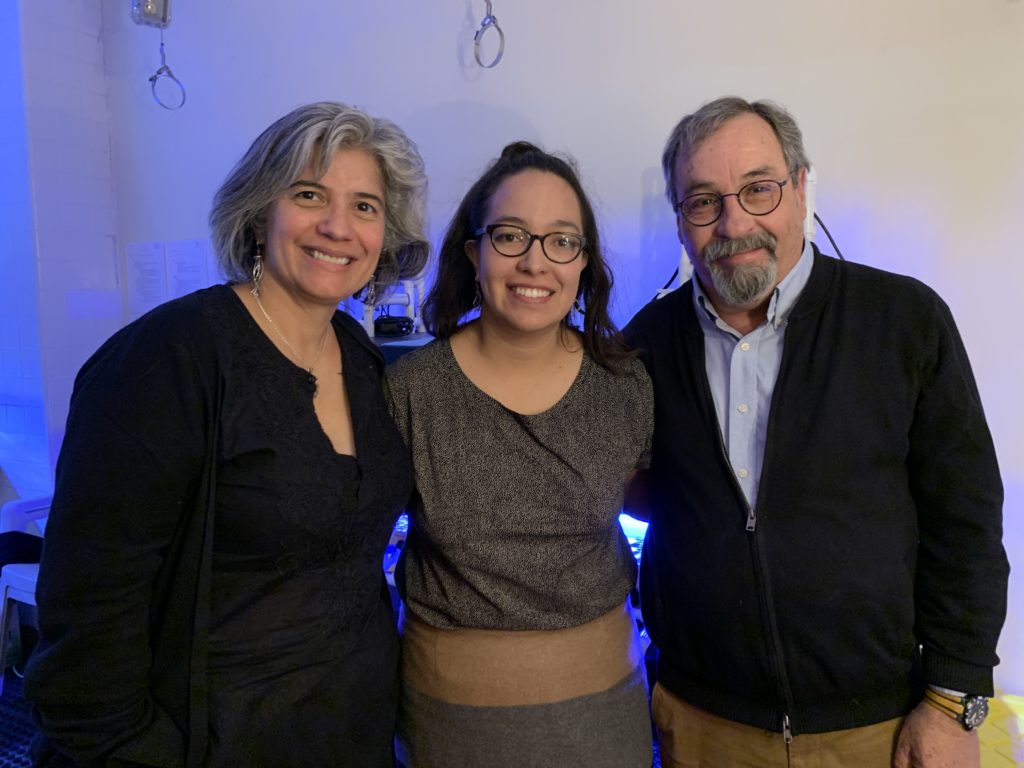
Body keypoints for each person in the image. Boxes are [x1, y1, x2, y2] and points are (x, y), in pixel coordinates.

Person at [25, 101, 429, 767]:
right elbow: (88, 615)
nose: (338, 225)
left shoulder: (359, 357)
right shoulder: (167, 359)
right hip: (209, 742)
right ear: (260, 211)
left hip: (350, 734)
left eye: (366, 205)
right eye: (309, 194)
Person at [624, 96, 1009, 767]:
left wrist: (954, 702)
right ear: (681, 219)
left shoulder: (903, 321)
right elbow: (634, 496)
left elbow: (966, 520)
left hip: (879, 730)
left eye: (758, 189)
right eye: (704, 200)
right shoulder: (644, 348)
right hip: (702, 725)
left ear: (802, 189)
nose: (734, 221)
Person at [385, 142, 654, 767]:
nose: (536, 262)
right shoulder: (410, 390)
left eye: (561, 241)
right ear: (473, 251)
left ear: (583, 263)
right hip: (447, 721)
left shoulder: (623, 385)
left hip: (604, 715)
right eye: (510, 236)